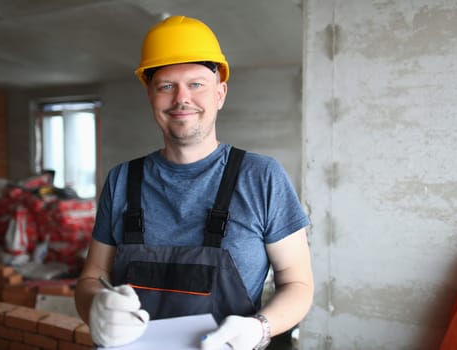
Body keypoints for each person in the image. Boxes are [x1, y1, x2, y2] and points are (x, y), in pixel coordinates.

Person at [74, 15, 314, 350]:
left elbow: (298, 283)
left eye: (197, 84)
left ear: (220, 93)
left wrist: (260, 328)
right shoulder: (122, 179)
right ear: (150, 96)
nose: (181, 98)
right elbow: (90, 278)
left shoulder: (262, 177)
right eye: (166, 85)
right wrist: (95, 307)